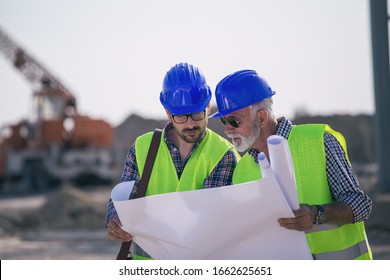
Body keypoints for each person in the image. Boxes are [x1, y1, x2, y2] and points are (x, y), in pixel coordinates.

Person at [210, 69, 373, 260]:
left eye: (233, 120)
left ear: (261, 118)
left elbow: (361, 205)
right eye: (224, 120)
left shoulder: (318, 140)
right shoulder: (241, 171)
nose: (227, 129)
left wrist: (316, 215)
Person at [106, 62, 239, 260]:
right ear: (168, 113)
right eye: (181, 117)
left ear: (208, 108)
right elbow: (124, 199)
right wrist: (114, 219)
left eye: (197, 114)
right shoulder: (142, 148)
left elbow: (211, 225)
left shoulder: (223, 154)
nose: (191, 124)